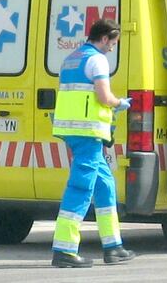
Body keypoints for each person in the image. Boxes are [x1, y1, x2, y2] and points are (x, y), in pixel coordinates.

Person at [51, 19, 135, 268]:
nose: (112, 48)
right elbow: (103, 95)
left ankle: (113, 246)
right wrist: (119, 103)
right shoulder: (97, 59)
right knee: (81, 188)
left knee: (105, 185)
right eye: (113, 43)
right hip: (87, 132)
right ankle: (64, 249)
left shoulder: (71, 58)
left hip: (75, 130)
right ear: (106, 38)